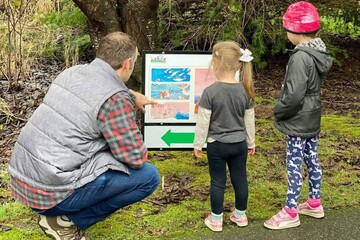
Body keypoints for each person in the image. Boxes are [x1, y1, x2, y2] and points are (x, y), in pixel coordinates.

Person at [8, 32, 160, 240]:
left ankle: (60, 214)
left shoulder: (72, 72)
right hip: (49, 193)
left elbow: (97, 89)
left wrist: (132, 96)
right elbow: (135, 157)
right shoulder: (115, 100)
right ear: (127, 64)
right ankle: (65, 223)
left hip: (22, 180)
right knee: (148, 177)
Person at [264, 1, 333, 230]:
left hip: (297, 119)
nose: (286, 33)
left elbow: (293, 95)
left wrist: (278, 111)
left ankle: (291, 210)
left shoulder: (300, 57)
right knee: (311, 158)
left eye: (286, 29)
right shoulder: (318, 52)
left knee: (293, 163)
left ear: (295, 30)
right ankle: (315, 202)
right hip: (312, 116)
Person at [193, 41, 256, 232]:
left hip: (217, 145)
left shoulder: (210, 92)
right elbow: (249, 121)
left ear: (215, 64)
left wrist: (198, 144)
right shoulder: (246, 91)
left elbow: (203, 122)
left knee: (217, 181)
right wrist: (251, 142)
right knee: (240, 179)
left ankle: (216, 220)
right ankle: (240, 215)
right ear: (239, 65)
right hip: (239, 145)